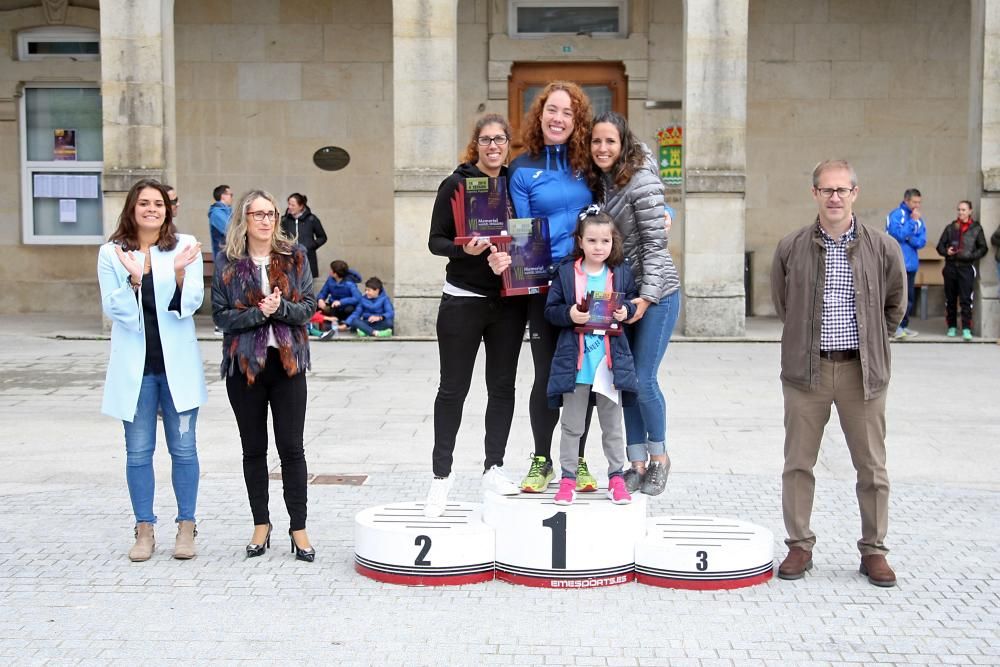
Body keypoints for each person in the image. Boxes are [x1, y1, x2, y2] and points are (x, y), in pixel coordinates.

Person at [770, 159, 906, 587]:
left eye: (841, 190)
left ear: (854, 193)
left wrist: (872, 344)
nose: (834, 197)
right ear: (814, 194)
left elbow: (895, 305)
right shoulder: (791, 247)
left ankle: (874, 551)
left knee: (872, 468)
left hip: (861, 374)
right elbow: (782, 305)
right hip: (806, 373)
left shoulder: (882, 247)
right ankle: (799, 545)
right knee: (797, 465)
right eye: (826, 190)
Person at [490, 80, 597, 494]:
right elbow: (520, 229)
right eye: (552, 110)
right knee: (547, 372)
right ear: (540, 115)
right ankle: (541, 459)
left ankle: (579, 459)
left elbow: (625, 189)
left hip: (587, 282)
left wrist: (664, 207)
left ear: (577, 121)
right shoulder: (522, 167)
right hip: (543, 284)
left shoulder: (588, 163)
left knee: (583, 374)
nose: (559, 118)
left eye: (568, 113)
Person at [97, 179, 207, 562]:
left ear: (168, 209)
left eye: (158, 203)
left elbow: (190, 302)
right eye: (143, 203)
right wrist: (134, 278)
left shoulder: (185, 246)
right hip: (136, 371)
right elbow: (118, 311)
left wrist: (173, 275)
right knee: (138, 452)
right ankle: (144, 528)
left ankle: (186, 527)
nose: (151, 209)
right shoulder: (111, 253)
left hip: (176, 368)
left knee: (184, 449)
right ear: (131, 207)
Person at [423, 113, 528, 516]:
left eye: (500, 139)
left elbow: (527, 235)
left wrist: (514, 257)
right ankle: (441, 477)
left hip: (508, 302)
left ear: (507, 144)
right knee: (453, 390)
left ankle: (494, 468)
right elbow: (436, 241)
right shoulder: (456, 185)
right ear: (476, 144)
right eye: (486, 140)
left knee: (502, 388)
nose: (493, 146)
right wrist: (462, 250)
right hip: (463, 298)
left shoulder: (514, 184)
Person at [212, 189, 317, 562]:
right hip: (245, 367)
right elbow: (221, 317)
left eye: (270, 213)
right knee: (253, 449)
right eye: (257, 214)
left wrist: (280, 307)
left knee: (292, 448)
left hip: (287, 364)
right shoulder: (227, 262)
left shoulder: (294, 256)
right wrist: (260, 313)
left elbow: (307, 309)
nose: (265, 220)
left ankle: (298, 527)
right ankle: (261, 523)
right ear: (244, 219)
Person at [588, 111, 681, 497]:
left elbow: (656, 248)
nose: (602, 148)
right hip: (620, 296)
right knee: (625, 384)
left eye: (610, 141)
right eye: (596, 141)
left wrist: (645, 298)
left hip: (656, 295)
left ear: (623, 142)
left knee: (644, 380)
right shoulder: (600, 182)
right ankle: (636, 463)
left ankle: (659, 459)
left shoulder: (641, 178)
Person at [545, 207, 638, 506]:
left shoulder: (620, 273)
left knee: (612, 426)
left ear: (613, 243)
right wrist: (570, 314)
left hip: (609, 365)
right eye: (593, 241)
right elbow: (551, 310)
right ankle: (567, 479)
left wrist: (628, 312)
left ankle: (615, 478)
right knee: (572, 425)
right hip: (577, 363)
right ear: (580, 241)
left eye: (605, 241)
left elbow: (633, 303)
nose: (599, 247)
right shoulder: (566, 273)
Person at [935, 201, 988, 340]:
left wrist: (970, 256)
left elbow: (983, 248)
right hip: (951, 266)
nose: (961, 212)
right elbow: (940, 246)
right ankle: (951, 326)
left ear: (970, 211)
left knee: (965, 299)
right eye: (959, 209)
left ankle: (966, 329)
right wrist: (947, 251)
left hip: (966, 267)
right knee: (950, 298)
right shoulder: (951, 227)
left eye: (964, 210)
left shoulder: (976, 229)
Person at [885, 188, 927, 338]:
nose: (917, 205)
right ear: (906, 200)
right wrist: (911, 225)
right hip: (897, 263)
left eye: (919, 202)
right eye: (915, 202)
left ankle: (903, 325)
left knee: (909, 297)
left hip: (911, 264)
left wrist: (909, 238)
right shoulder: (896, 215)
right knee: (897, 297)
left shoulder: (918, 218)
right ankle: (894, 327)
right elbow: (897, 235)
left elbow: (922, 241)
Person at [281, 193, 328, 280]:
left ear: (301, 206)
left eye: (293, 205)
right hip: (289, 261)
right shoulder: (284, 220)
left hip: (307, 259)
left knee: (307, 288)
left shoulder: (312, 219)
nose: (289, 207)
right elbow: (279, 237)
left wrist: (311, 246)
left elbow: (322, 237)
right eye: (289, 204)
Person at [315, 259, 363, 335]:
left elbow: (358, 298)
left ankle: (346, 324)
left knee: (349, 309)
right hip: (333, 307)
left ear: (336, 274)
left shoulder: (349, 283)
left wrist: (341, 302)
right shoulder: (330, 280)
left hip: (345, 307)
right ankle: (326, 324)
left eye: (332, 270)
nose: (330, 272)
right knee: (316, 304)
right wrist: (320, 299)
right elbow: (323, 292)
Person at [208, 184, 233, 257]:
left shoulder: (227, 212)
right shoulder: (216, 213)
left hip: (229, 255)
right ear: (223, 196)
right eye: (231, 195)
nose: (232, 197)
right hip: (223, 258)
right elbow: (231, 231)